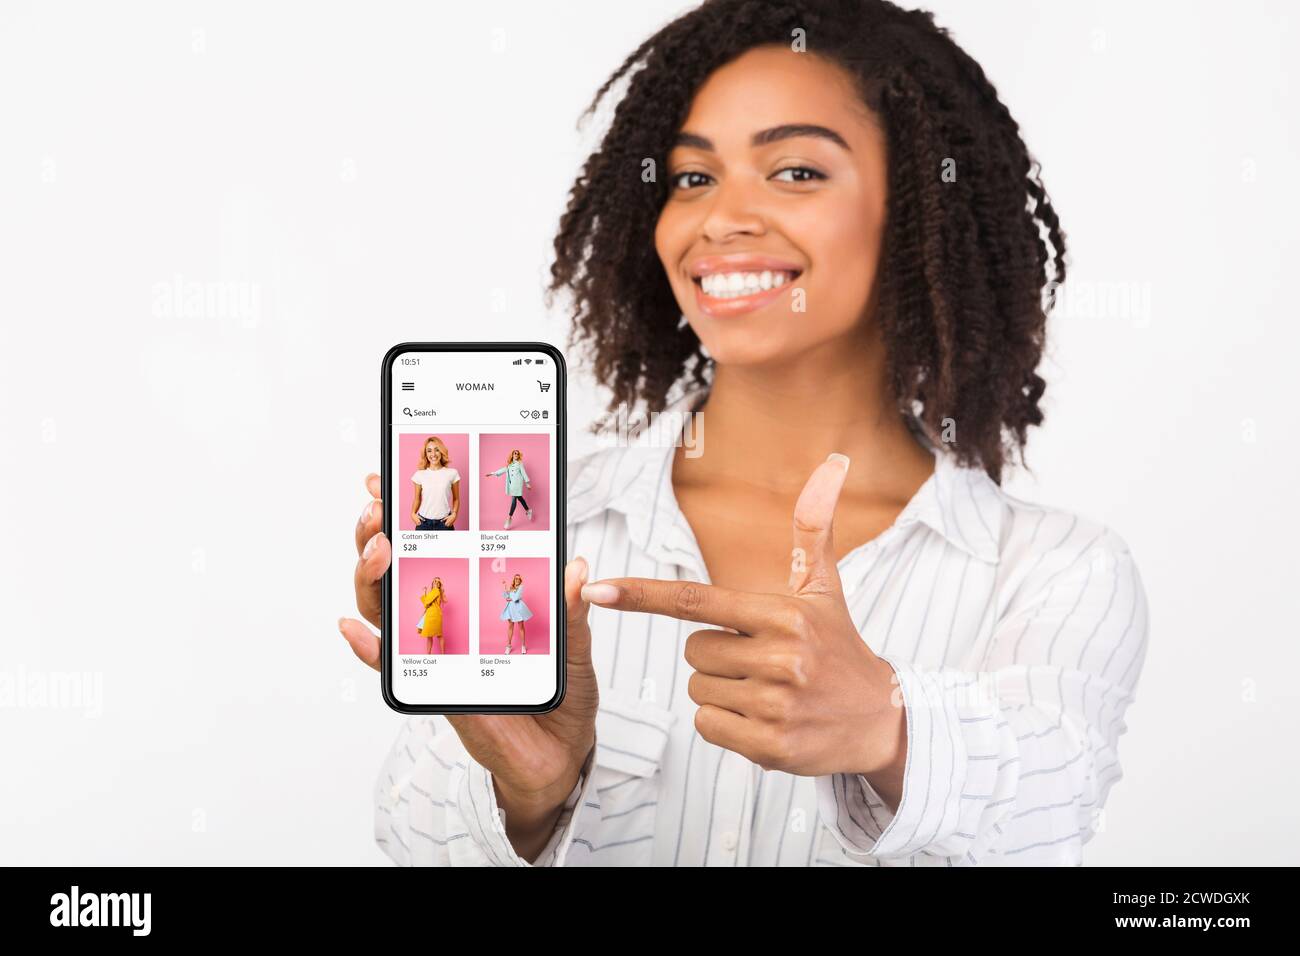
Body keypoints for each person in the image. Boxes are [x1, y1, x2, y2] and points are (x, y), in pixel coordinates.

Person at [341, 0, 1149, 866]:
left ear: (917, 205)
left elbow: (1053, 804)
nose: (721, 219)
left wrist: (889, 728)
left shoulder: (1054, 570)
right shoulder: (544, 525)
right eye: (693, 178)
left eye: (795, 171)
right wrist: (530, 795)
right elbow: (410, 839)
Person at [485, 450, 533, 529]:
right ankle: (528, 510)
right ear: (512, 455)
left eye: (517, 454)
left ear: (518, 455)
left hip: (518, 484)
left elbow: (524, 473)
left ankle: (509, 518)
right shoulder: (509, 465)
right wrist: (492, 473)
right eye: (515, 453)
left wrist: (527, 483)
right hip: (512, 485)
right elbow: (502, 470)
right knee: (520, 498)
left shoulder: (520, 464)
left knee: (514, 499)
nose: (516, 455)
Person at [499, 574, 534, 655]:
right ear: (514, 580)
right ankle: (508, 646)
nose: (517, 580)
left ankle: (523, 645)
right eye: (516, 578)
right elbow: (505, 596)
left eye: (518, 579)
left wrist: (510, 596)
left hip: (518, 609)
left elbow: (516, 598)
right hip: (510, 609)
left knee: (521, 627)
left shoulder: (521, 587)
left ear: (520, 580)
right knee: (510, 626)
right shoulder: (511, 588)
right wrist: (505, 587)